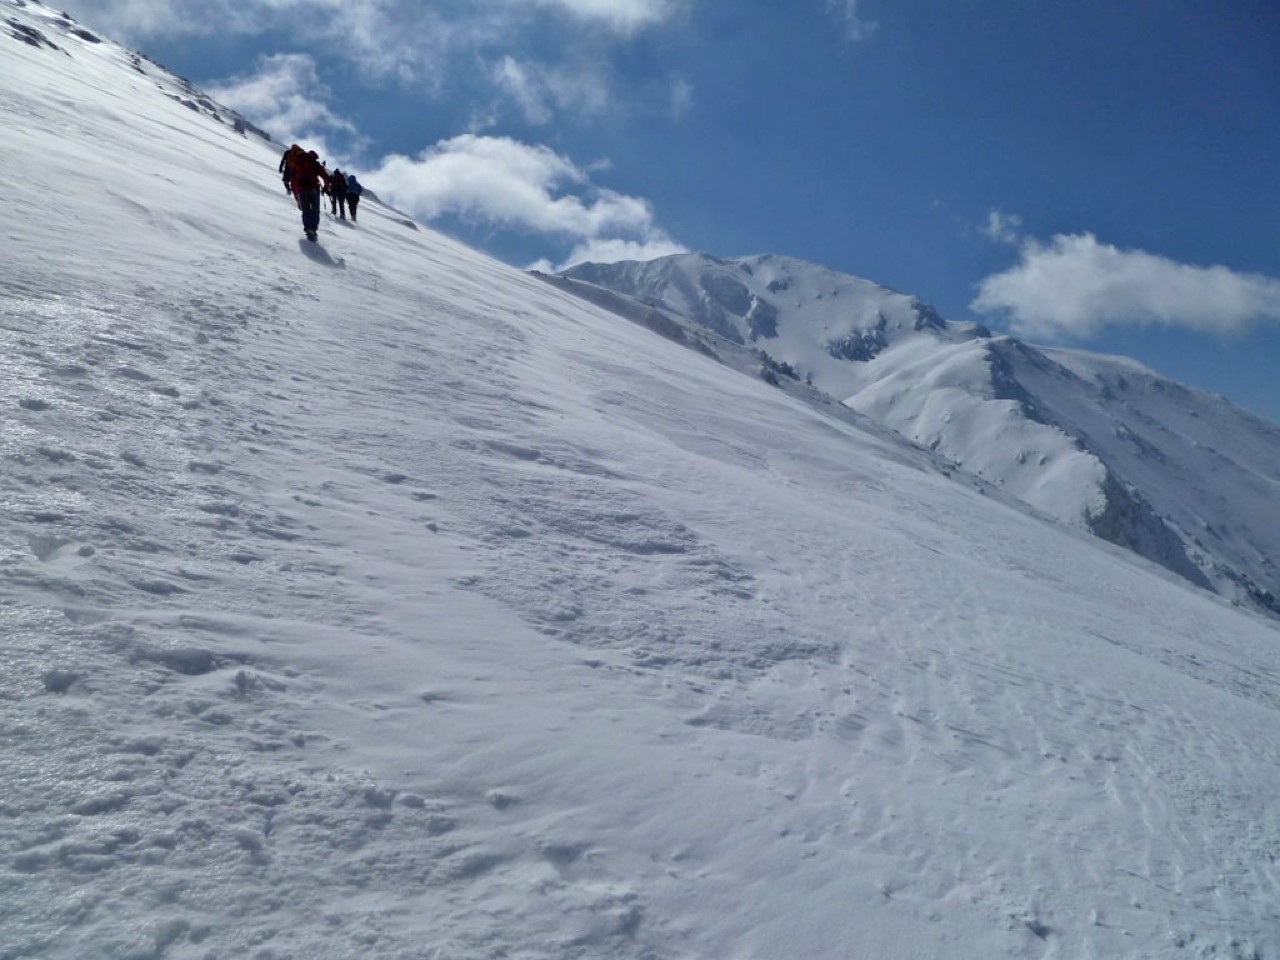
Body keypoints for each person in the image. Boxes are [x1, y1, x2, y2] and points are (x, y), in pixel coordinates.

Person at [289, 149, 330, 241]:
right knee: (315, 211)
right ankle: (313, 230)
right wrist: (326, 187)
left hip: (301, 190)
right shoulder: (314, 162)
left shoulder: (296, 164)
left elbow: (293, 182)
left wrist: (296, 196)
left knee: (306, 211)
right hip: (314, 188)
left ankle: (308, 229)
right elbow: (325, 176)